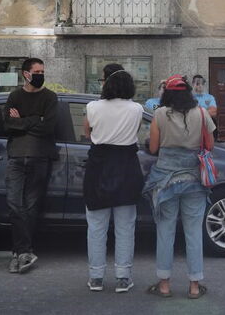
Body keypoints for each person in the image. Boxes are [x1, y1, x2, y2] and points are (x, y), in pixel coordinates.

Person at [144, 75, 215, 299]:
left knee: (165, 231)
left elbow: (154, 148)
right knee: (194, 232)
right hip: (194, 180)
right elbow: (210, 145)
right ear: (188, 93)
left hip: (165, 181)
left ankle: (164, 284)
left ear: (168, 94)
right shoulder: (202, 113)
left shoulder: (159, 114)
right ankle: (194, 286)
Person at [82, 64, 144, 293]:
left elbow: (88, 133)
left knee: (96, 225)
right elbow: (135, 132)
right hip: (127, 166)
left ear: (106, 82)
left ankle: (96, 277)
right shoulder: (136, 109)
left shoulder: (92, 107)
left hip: (99, 166)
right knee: (125, 226)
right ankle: (123, 277)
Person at [3, 57, 59, 274]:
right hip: (16, 157)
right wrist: (37, 119)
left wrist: (22, 121)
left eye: (42, 71)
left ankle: (20, 253)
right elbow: (7, 124)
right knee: (14, 205)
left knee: (31, 207)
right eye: (37, 71)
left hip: (39, 158)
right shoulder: (15, 96)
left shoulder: (50, 97)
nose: (40, 75)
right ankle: (24, 251)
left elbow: (49, 128)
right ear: (26, 74)